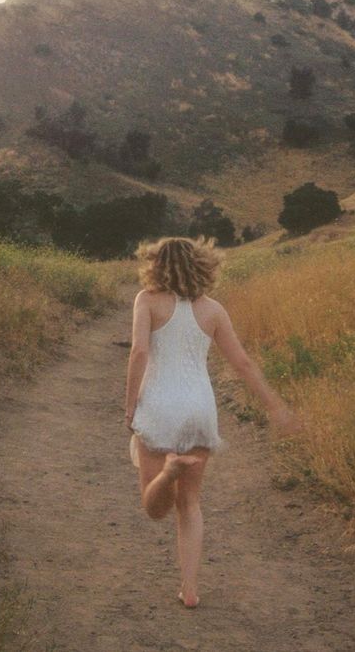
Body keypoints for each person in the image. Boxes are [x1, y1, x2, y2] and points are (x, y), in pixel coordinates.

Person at [124, 235, 303, 609]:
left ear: (155, 264)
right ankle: (189, 589)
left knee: (155, 508)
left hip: (159, 405)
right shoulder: (214, 311)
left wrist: (130, 407)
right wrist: (277, 409)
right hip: (200, 409)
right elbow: (243, 364)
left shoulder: (147, 300)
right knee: (190, 504)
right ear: (202, 264)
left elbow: (140, 351)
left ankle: (169, 471)